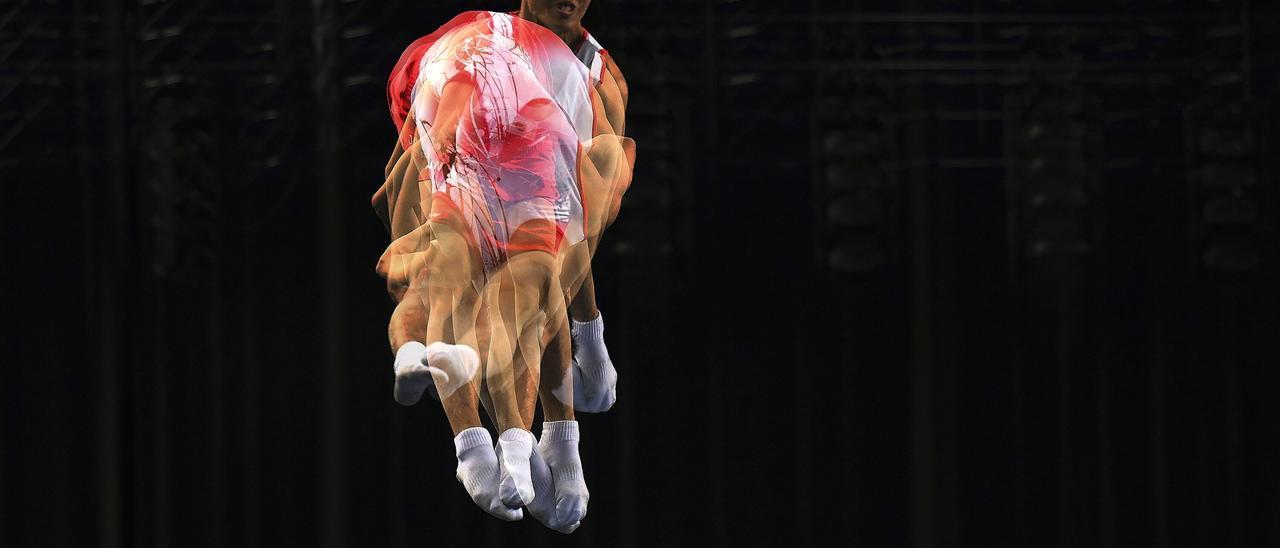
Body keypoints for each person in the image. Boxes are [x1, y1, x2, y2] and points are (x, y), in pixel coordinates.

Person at [371, 1, 633, 533]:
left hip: (482, 117)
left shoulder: (592, 83)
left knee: (510, 280)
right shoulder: (486, 66)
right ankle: (508, 441)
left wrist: (588, 339)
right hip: (464, 107)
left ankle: (504, 433)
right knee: (500, 282)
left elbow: (576, 240)